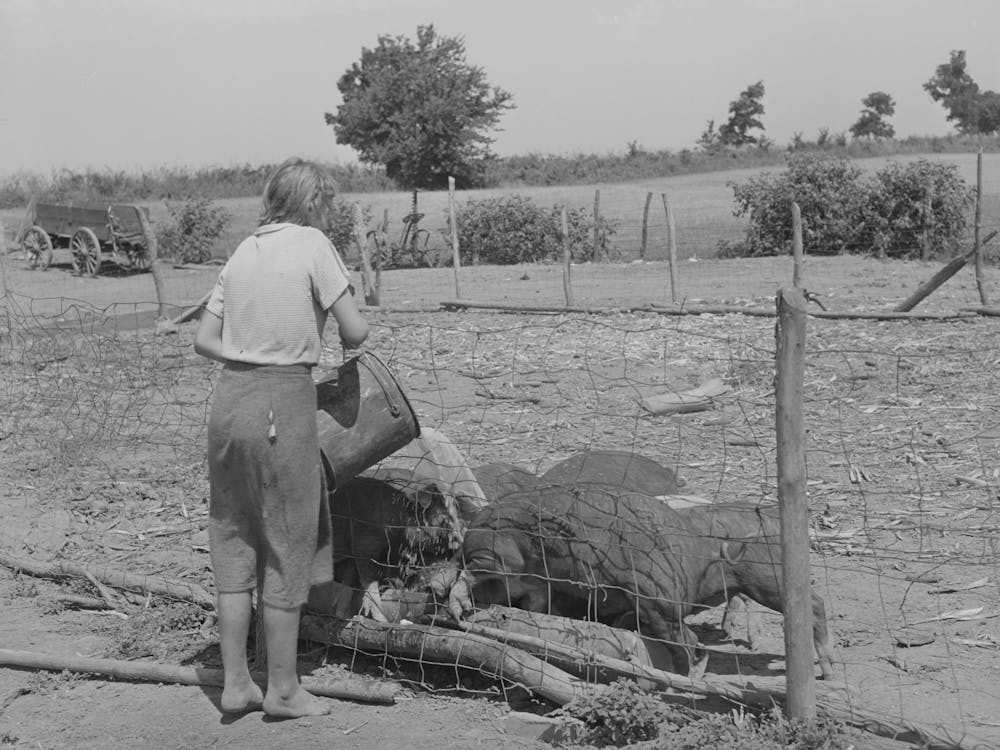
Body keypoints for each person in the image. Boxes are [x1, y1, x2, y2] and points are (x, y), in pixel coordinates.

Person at [194, 157, 369, 718]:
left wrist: (248, 353)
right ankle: (285, 689)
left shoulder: (244, 251)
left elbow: (205, 338)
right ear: (314, 203)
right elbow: (355, 328)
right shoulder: (313, 243)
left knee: (235, 538)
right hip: (282, 403)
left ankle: (236, 684)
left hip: (229, 407)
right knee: (287, 542)